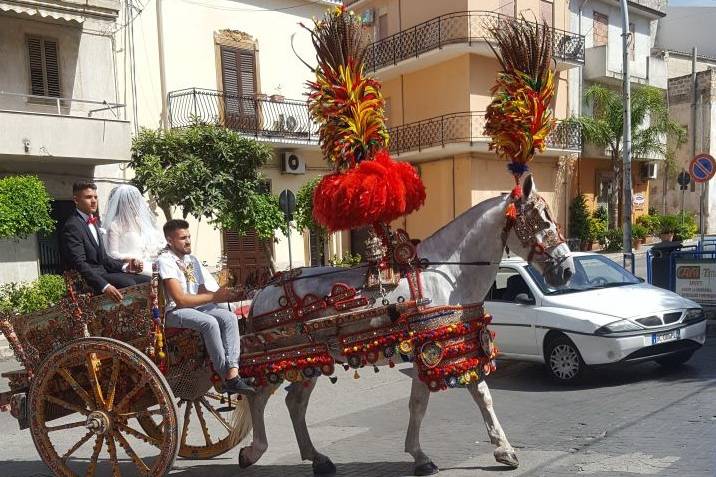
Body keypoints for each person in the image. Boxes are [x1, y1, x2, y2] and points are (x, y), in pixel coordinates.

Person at [157, 219, 254, 395]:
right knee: (209, 322)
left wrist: (227, 294)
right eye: (182, 238)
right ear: (170, 240)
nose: (187, 241)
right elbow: (180, 300)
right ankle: (224, 375)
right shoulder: (165, 261)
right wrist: (214, 297)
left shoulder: (191, 260)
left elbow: (202, 291)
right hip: (174, 312)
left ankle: (233, 371)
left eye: (188, 237)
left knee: (229, 317)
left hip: (194, 309)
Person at [61, 182, 149, 302]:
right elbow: (79, 263)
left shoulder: (95, 222)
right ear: (76, 200)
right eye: (88, 197)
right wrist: (104, 286)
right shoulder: (73, 226)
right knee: (129, 283)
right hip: (89, 279)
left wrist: (126, 267)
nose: (93, 201)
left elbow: (104, 258)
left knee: (146, 280)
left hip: (105, 272)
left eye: (95, 197)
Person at [103, 184, 166, 276]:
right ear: (123, 203)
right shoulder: (115, 225)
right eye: (131, 202)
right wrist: (132, 259)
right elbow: (113, 254)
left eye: (136, 201)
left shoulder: (141, 221)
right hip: (131, 266)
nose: (135, 205)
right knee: (161, 275)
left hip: (147, 262)